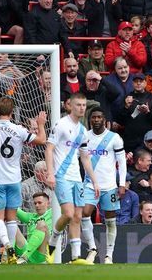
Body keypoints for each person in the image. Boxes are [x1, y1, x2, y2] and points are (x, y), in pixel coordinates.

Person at [0, 97, 46, 264]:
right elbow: (42, 140)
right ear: (12, 112)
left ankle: (8, 246)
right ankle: (11, 254)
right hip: (14, 179)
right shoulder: (19, 130)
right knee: (12, 218)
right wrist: (41, 124)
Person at [45, 93, 99, 265]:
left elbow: (85, 158)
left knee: (77, 216)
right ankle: (53, 241)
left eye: (84, 105)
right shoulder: (61, 124)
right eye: (78, 105)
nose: (82, 108)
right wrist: (50, 173)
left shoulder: (83, 131)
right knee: (67, 214)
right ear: (70, 106)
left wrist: (94, 180)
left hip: (77, 177)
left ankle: (75, 257)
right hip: (61, 176)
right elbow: (49, 149)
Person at [81, 107, 127, 265]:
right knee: (84, 213)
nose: (96, 120)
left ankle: (109, 255)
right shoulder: (85, 137)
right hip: (89, 184)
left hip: (109, 186)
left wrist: (121, 184)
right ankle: (92, 249)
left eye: (99, 117)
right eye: (93, 117)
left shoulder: (114, 138)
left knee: (110, 220)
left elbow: (122, 162)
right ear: (90, 119)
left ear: (104, 119)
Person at [15, 192, 52, 264]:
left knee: (42, 224)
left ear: (48, 203)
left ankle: (24, 257)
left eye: (39, 203)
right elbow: (14, 208)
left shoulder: (53, 213)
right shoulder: (30, 217)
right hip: (26, 250)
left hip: (42, 254)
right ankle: (8, 258)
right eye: (35, 203)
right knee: (12, 225)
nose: (37, 205)